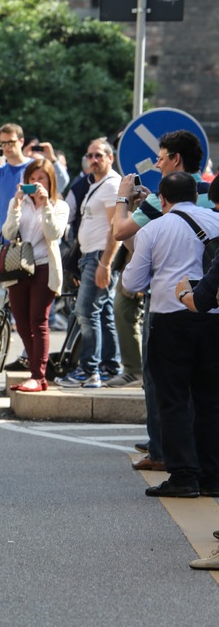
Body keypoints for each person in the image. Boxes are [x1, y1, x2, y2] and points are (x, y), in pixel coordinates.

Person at [122, 172, 219, 499]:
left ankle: (183, 476)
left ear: (161, 199)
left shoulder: (155, 228)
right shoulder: (215, 220)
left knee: (174, 399)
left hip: (170, 320)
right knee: (209, 400)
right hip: (212, 319)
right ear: (196, 193)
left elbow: (131, 284)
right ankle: (212, 475)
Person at [56, 138, 122, 389]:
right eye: (90, 156)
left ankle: (88, 370)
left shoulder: (111, 185)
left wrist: (105, 263)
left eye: (99, 156)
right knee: (103, 314)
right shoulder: (98, 184)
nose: (93, 160)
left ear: (110, 158)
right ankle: (108, 367)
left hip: (99, 257)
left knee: (85, 312)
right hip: (90, 257)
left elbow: (115, 227)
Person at [2, 159, 69, 392]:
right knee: (21, 324)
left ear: (50, 181)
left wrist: (45, 205)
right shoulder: (17, 202)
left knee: (38, 321)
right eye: (32, 179)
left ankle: (37, 376)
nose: (36, 183)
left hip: (44, 267)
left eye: (41, 178)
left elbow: (54, 233)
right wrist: (17, 206)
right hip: (19, 267)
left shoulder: (59, 205)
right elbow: (8, 233)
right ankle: (37, 373)